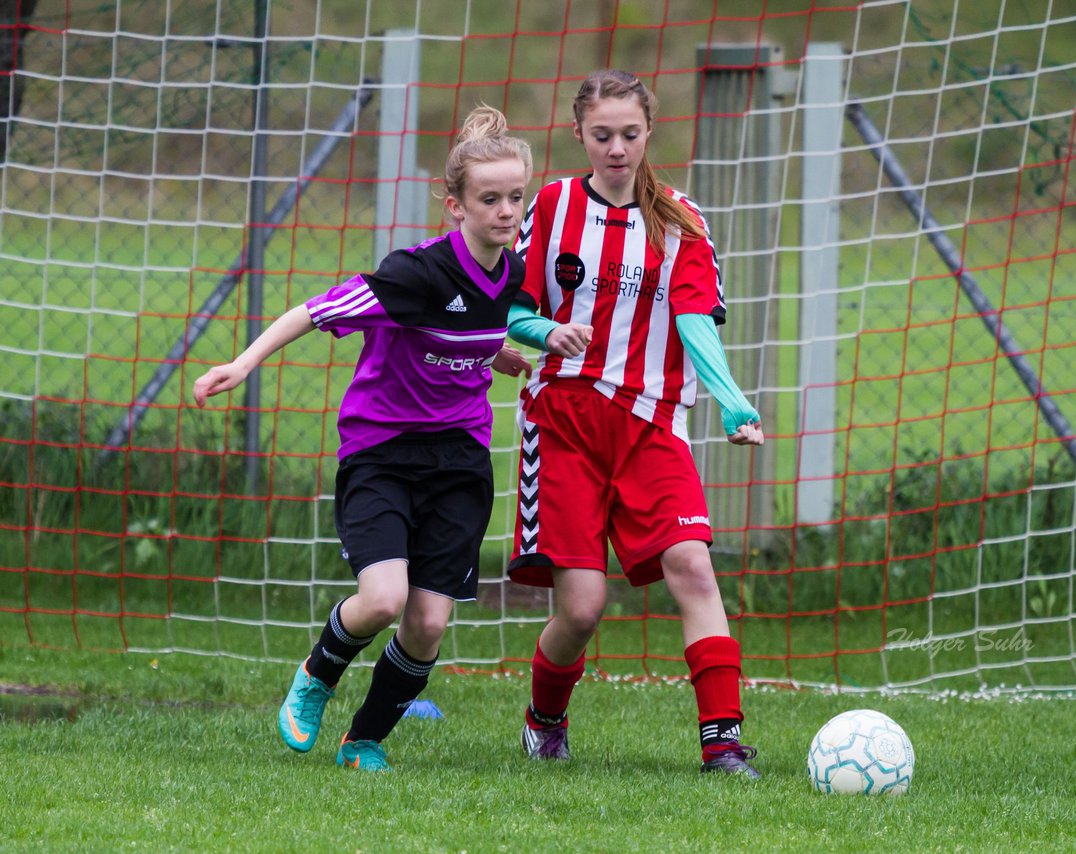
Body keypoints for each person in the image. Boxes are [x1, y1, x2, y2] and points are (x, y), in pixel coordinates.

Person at [191, 105, 534, 772]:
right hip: (382, 452)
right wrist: (244, 362)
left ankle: (365, 738)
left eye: (515, 197)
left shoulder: (513, 272)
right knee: (383, 600)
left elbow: (464, 326)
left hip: (460, 460)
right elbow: (314, 310)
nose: (505, 211)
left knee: (429, 622)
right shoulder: (414, 273)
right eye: (489, 199)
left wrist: (496, 356)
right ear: (454, 205)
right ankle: (318, 675)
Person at [502, 69, 765, 777]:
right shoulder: (552, 206)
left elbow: (695, 324)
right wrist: (543, 331)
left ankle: (723, 741)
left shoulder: (680, 219)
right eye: (602, 135)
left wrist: (736, 404)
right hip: (565, 422)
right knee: (582, 608)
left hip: (652, 423)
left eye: (630, 134)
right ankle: (544, 719)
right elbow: (510, 308)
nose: (617, 148)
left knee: (694, 568)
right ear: (580, 135)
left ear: (649, 133)